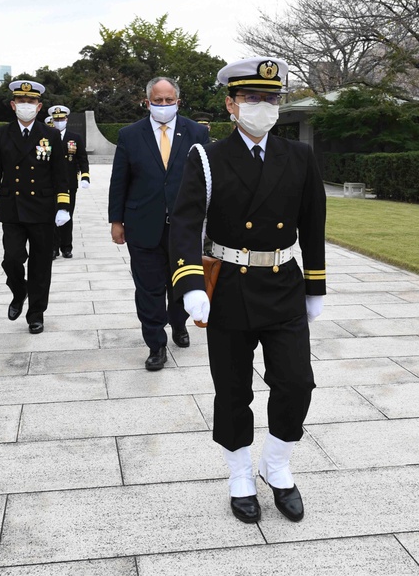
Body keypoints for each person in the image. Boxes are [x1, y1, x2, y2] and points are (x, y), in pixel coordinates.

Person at [168, 57, 327, 525]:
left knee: (296, 383)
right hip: (230, 290)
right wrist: (190, 283)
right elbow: (185, 223)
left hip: (283, 284)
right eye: (253, 98)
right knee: (233, 389)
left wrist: (315, 285)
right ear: (231, 104)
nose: (263, 106)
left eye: (272, 98)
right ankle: (239, 474)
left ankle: (276, 466)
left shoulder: (298, 157)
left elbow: (313, 224)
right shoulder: (207, 158)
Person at [108, 76, 210, 371]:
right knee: (149, 289)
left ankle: (179, 324)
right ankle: (156, 344)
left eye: (168, 100)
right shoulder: (130, 135)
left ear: (178, 101)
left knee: (181, 281)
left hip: (185, 227)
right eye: (157, 100)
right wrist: (117, 221)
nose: (163, 105)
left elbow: (207, 180)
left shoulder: (196, 132)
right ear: (147, 101)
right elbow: (119, 181)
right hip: (143, 224)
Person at [0, 80, 71, 334]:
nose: (26, 105)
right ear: (13, 105)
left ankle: (36, 313)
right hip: (13, 207)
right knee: (12, 258)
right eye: (21, 101)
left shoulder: (51, 135)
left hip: (42, 208)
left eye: (30, 101)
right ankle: (19, 291)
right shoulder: (0, 134)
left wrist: (63, 206)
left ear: (39, 106)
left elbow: (60, 175)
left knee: (41, 265)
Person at [48, 105, 90, 259]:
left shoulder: (75, 137)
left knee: (67, 214)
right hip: (51, 183)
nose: (59, 121)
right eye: (56, 119)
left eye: (61, 119)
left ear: (66, 119)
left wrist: (85, 176)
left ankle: (66, 247)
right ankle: (53, 248)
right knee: (52, 215)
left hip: (69, 183)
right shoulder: (47, 136)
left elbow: (82, 159)